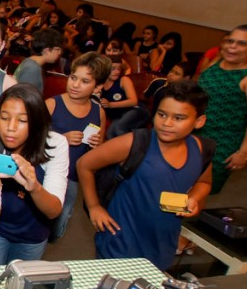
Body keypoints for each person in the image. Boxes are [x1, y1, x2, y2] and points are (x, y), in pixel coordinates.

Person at [79, 81, 214, 271]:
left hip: (163, 245)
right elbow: (84, 164)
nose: (167, 123)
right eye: (162, 114)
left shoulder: (201, 149)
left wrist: (195, 198)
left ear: (199, 121)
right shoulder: (134, 142)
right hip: (120, 242)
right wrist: (94, 207)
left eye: (179, 118)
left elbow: (204, 182)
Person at [0, 84, 68, 266]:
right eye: (4, 118)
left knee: (20, 286)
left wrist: (34, 187)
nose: (11, 128)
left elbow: (53, 210)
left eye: (22, 120)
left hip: (33, 235)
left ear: (37, 121)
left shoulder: (55, 144)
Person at [195, 24, 247, 193]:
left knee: (200, 190)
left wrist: (243, 153)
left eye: (242, 43)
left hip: (221, 143)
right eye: (230, 41)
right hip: (192, 135)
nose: (232, 47)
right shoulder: (217, 61)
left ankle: (188, 219)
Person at [45, 52, 109, 240]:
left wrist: (99, 145)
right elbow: (32, 139)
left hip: (73, 178)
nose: (75, 84)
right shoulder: (52, 105)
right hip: (46, 171)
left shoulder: (99, 112)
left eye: (84, 81)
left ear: (98, 86)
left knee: (61, 220)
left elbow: (99, 154)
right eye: (73, 78)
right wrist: (60, 138)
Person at [100, 58, 149, 139]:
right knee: (110, 133)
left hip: (136, 110)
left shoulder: (123, 80)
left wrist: (110, 104)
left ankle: (131, 150)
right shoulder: (101, 85)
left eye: (119, 69)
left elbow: (133, 101)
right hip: (119, 116)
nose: (117, 72)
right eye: (113, 69)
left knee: (119, 128)